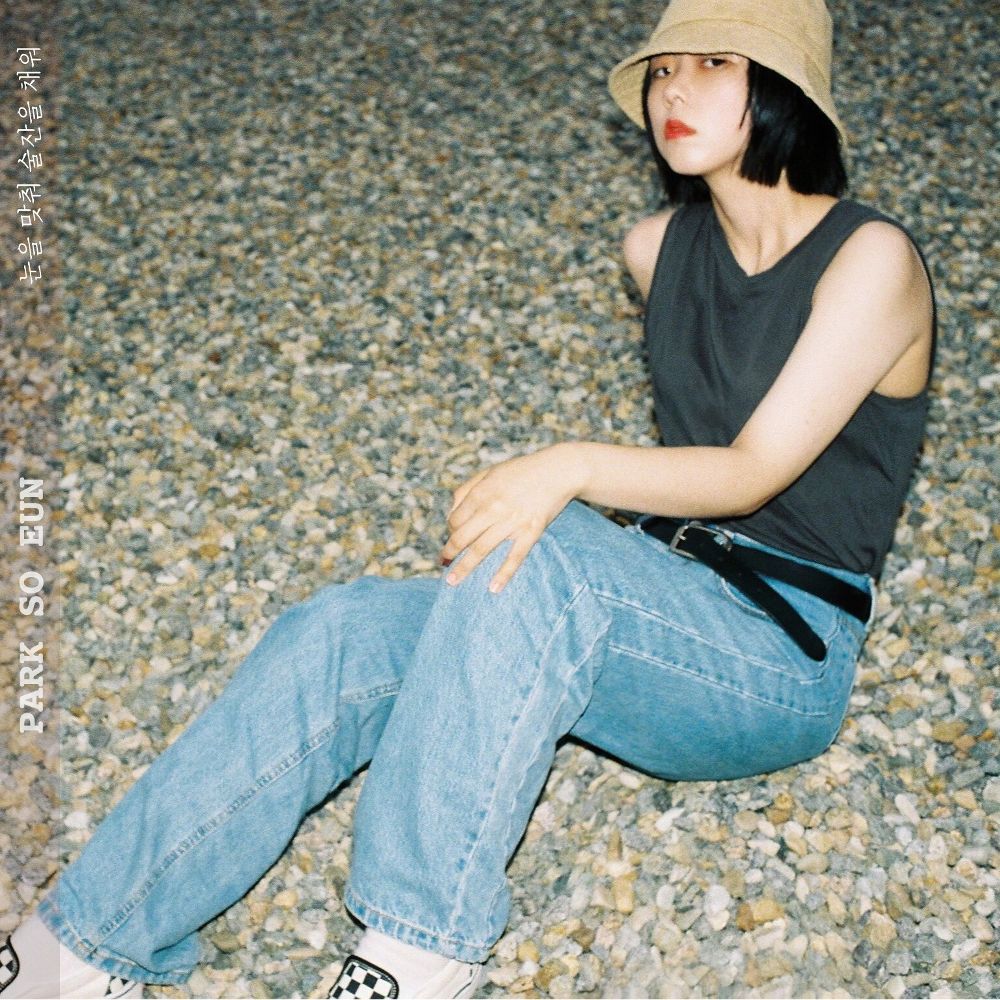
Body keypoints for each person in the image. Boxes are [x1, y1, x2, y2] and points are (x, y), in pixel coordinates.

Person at [1, 0, 935, 997]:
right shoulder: (656, 247)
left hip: (777, 656)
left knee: (550, 542)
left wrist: (565, 465)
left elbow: (752, 468)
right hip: (649, 602)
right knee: (344, 631)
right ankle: (75, 951)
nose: (674, 87)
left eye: (714, 63)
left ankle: (418, 945)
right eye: (663, 67)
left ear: (783, 89)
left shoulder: (871, 258)